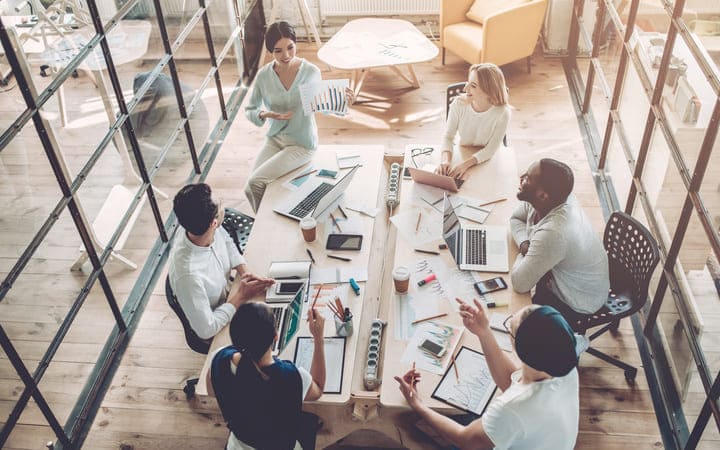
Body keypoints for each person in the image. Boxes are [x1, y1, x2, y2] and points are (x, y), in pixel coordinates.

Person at [396, 301, 580, 450]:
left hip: (482, 438)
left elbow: (465, 440)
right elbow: (511, 383)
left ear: (521, 350)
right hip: (543, 438)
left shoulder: (511, 409)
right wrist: (484, 332)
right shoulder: (562, 363)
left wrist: (417, 404)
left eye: (510, 327)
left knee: (406, 424)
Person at [244, 21, 354, 212]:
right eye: (278, 51)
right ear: (270, 51)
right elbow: (250, 109)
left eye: (290, 48)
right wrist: (264, 114)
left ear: (296, 44)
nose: (285, 55)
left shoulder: (311, 72)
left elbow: (322, 105)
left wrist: (343, 101)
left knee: (256, 182)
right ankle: (265, 222)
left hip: (301, 143)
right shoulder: (263, 76)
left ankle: (267, 224)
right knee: (250, 188)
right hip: (275, 140)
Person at [208, 302, 326, 450]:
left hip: (239, 443)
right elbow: (318, 388)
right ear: (276, 336)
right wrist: (318, 338)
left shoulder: (218, 359)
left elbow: (211, 390)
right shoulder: (291, 376)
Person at [168, 183, 274, 340]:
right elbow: (206, 330)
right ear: (214, 223)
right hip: (219, 318)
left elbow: (227, 244)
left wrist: (246, 273)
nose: (224, 206)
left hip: (230, 295)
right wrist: (241, 296)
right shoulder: (188, 277)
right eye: (221, 206)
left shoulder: (201, 229)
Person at [510, 158, 609, 322]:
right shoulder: (550, 199)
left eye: (527, 178)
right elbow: (516, 219)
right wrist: (525, 244)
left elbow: (520, 283)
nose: (521, 178)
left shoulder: (554, 232)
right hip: (566, 278)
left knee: (513, 315)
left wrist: (528, 253)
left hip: (577, 301)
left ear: (542, 195)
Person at [437, 63, 511, 179]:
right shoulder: (458, 104)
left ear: (489, 91)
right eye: (468, 82)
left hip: (487, 160)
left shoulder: (503, 113)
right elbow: (448, 137)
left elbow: (491, 150)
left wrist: (465, 165)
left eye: (473, 85)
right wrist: (445, 161)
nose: (465, 88)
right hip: (463, 152)